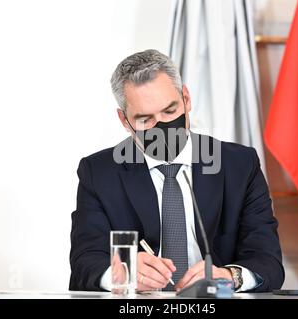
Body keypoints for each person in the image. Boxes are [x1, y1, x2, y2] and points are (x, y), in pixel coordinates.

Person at [69, 49, 284, 292]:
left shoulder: (239, 166)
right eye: (145, 119)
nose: (161, 126)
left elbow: (268, 262)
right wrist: (121, 274)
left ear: (186, 99)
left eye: (170, 111)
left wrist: (228, 276)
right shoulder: (99, 173)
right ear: (124, 120)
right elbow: (84, 262)